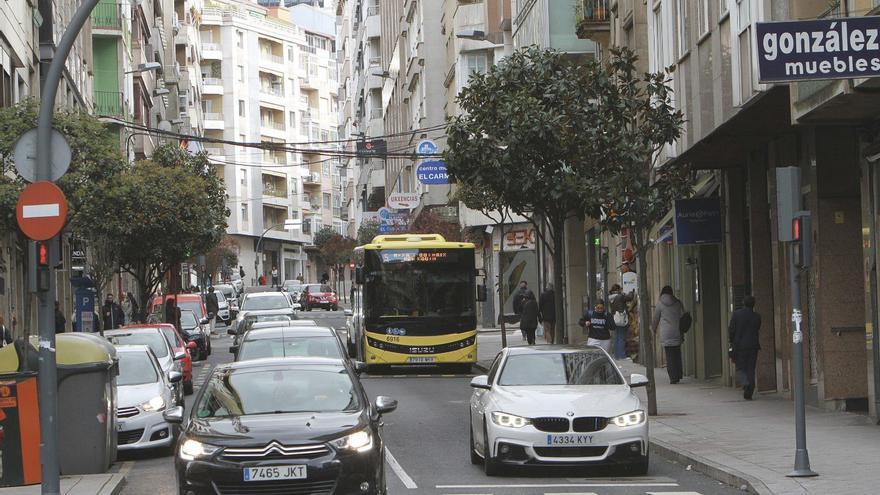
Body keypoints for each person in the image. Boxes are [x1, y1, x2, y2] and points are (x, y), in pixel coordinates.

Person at [729, 295, 762, 400]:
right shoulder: (757, 316)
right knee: (750, 368)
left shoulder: (736, 315)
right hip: (753, 346)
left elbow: (731, 330)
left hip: (740, 346)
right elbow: (757, 328)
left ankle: (746, 383)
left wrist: (731, 341)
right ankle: (750, 388)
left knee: (740, 368)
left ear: (743, 303)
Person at [652, 285, 685, 384]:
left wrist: (653, 330)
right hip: (677, 331)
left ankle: (673, 377)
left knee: (669, 356)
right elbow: (683, 316)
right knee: (677, 353)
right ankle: (678, 374)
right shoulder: (678, 303)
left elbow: (655, 319)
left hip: (666, 333)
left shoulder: (660, 304)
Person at [608, 284, 634, 359]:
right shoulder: (620, 296)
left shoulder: (610, 297)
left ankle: (617, 355)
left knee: (617, 337)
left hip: (614, 319)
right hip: (621, 319)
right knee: (621, 337)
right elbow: (629, 298)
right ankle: (621, 355)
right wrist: (631, 291)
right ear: (618, 289)